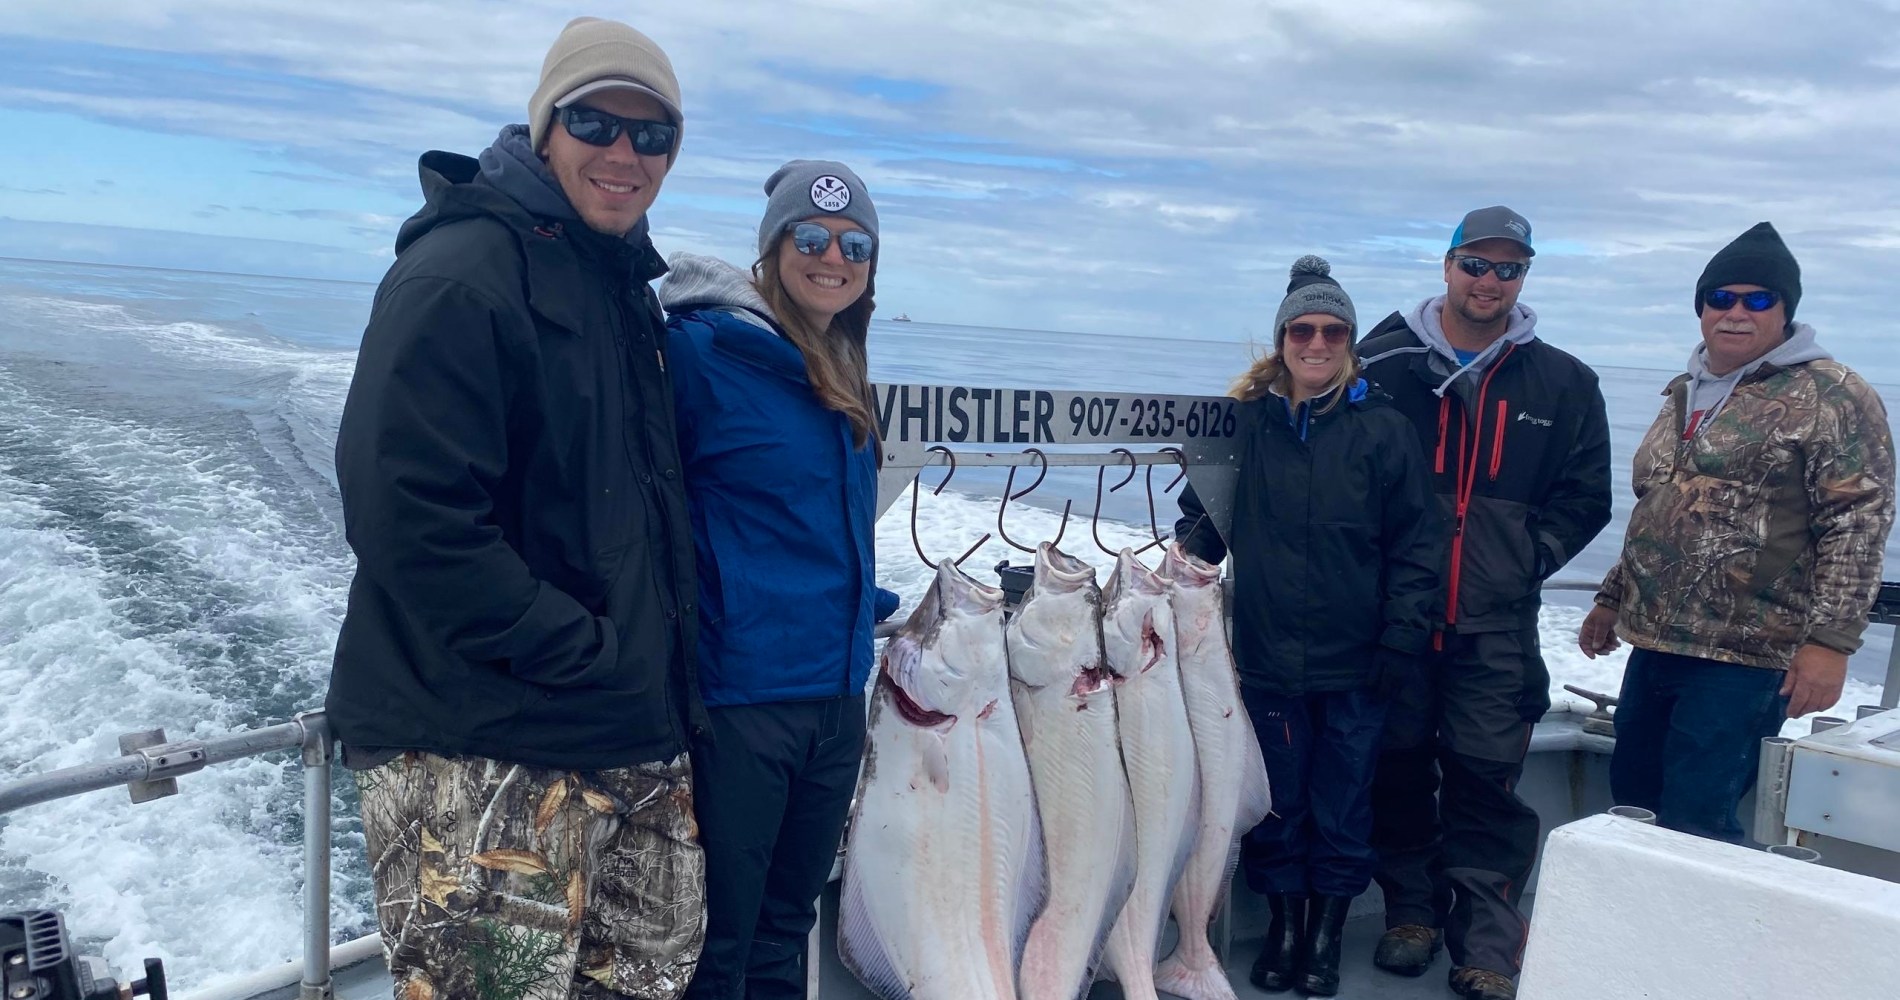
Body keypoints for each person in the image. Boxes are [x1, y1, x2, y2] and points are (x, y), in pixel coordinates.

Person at [325, 17, 707, 1000]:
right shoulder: (461, 274)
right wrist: (576, 647)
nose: (625, 153)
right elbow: (405, 512)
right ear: (546, 128)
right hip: (484, 748)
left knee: (648, 983)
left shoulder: (622, 287)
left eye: (651, 134)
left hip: (626, 738)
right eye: (596, 122)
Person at [1356, 207, 1612, 1000]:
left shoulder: (1564, 381)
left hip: (1495, 628)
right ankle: (1411, 913)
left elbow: (1587, 498)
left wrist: (1523, 560)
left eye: (1509, 268)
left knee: (1487, 782)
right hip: (1393, 621)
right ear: (1446, 265)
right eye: (1477, 263)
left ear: (1525, 278)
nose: (1490, 281)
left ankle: (1488, 944)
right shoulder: (1379, 362)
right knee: (1393, 771)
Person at [658, 161, 900, 1000]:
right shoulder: (695, 354)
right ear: (771, 249)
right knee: (717, 943)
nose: (831, 255)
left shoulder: (841, 371)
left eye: (854, 243)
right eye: (810, 236)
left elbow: (805, 522)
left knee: (786, 928)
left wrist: (858, 603)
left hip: (834, 701)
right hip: (738, 704)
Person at [1175, 256, 1442, 997]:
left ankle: (1325, 937)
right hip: (1263, 662)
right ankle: (1285, 932)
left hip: (1358, 664)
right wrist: (1183, 551)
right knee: (1277, 805)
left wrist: (1400, 638)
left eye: (1332, 330)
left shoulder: (1384, 432)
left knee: (1343, 806)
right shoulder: (1248, 426)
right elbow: (1206, 523)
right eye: (1303, 329)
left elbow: (1420, 545)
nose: (1316, 343)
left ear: (1349, 340)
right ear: (1282, 338)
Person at [1580, 222, 1896, 843]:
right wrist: (1611, 598)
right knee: (1633, 804)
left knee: (1698, 821)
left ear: (1785, 310)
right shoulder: (1684, 392)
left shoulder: (1833, 395)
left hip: (1745, 657)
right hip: (1656, 644)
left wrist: (1830, 643)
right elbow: (1660, 507)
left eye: (1758, 300)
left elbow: (1857, 524)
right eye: (1721, 298)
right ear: (1700, 308)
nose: (1736, 313)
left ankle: (1696, 940)